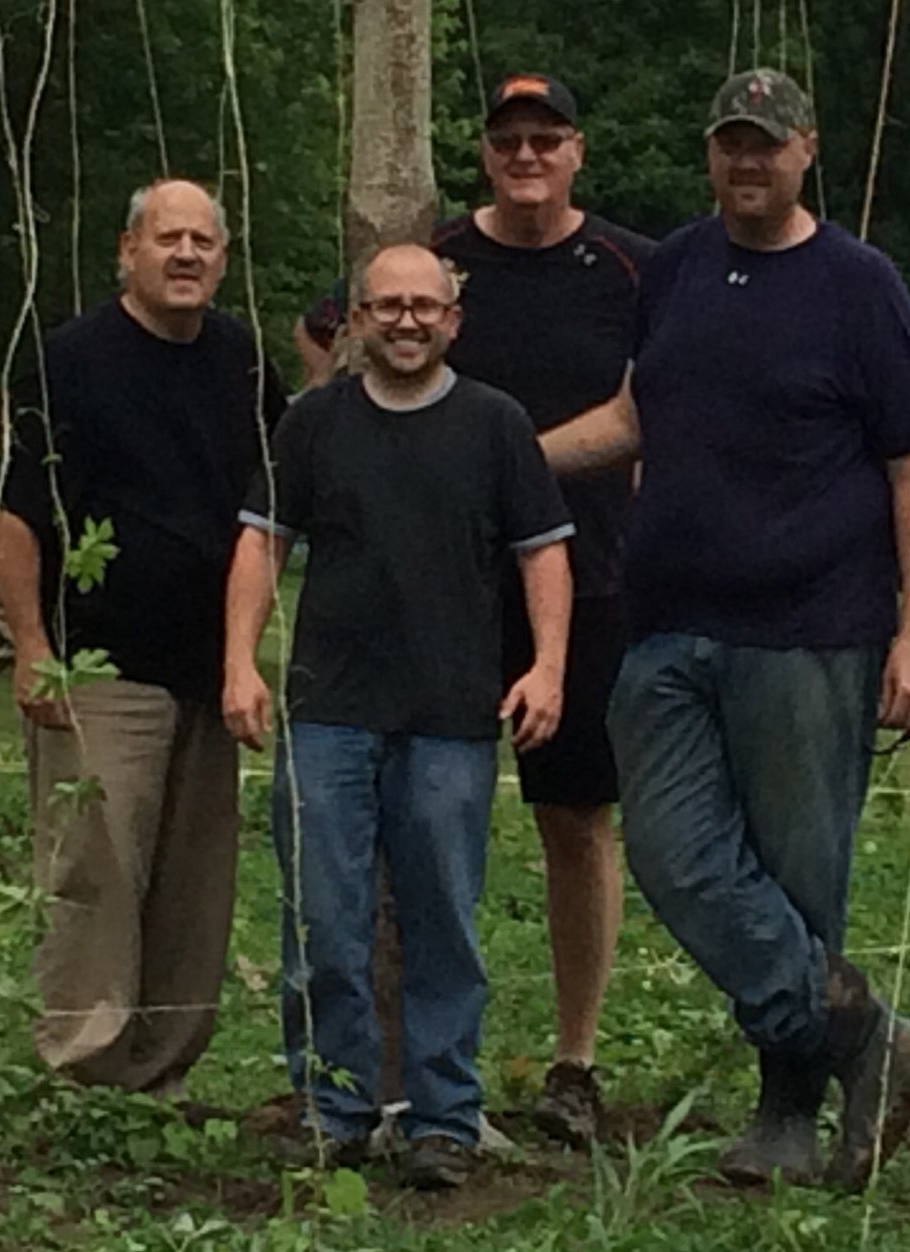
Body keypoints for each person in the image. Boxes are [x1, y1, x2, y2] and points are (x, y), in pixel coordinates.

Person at [549, 68, 910, 1190]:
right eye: (731, 141)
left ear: (805, 150)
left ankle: (787, 1118)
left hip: (810, 631)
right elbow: (637, 413)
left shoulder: (858, 285)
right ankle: (864, 1033)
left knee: (797, 871)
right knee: (671, 853)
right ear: (710, 152)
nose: (747, 160)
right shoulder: (676, 266)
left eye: (767, 144)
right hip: (666, 623)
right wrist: (509, 460)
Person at [294, 72, 655, 1143]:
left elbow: (647, 406)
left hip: (581, 574)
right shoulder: (438, 258)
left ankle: (574, 1060)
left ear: (577, 150)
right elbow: (324, 334)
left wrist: (502, 467)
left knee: (573, 818)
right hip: (429, 592)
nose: (527, 156)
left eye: (547, 138)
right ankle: (386, 1070)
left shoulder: (632, 266)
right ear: (486, 154)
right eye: (508, 140)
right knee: (399, 809)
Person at [224, 244, 574, 1188]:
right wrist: (239, 664)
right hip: (328, 711)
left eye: (426, 306)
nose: (408, 321)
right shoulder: (313, 423)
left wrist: (547, 667)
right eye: (388, 306)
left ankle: (443, 1121)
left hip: (452, 716)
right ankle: (332, 1111)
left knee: (444, 925)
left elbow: (544, 552)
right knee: (323, 924)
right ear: (357, 323)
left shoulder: (497, 425)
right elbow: (261, 543)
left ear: (453, 320)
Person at [0, 179, 285, 1097]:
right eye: (168, 238)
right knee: (99, 869)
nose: (186, 254)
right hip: (100, 663)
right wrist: (32, 646)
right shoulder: (70, 360)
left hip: (210, 666)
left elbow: (279, 497)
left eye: (204, 241)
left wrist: (242, 655)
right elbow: (15, 513)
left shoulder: (240, 360)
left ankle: (160, 1077)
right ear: (128, 251)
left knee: (195, 884)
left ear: (223, 260)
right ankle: (83, 1072)